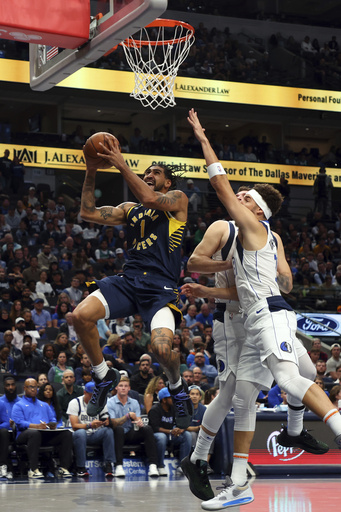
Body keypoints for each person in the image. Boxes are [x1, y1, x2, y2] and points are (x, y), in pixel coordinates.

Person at [186, 108, 341, 509]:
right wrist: (227, 277)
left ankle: (322, 431)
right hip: (256, 316)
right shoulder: (257, 234)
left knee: (280, 383)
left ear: (256, 210)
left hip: (262, 315)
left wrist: (204, 140)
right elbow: (286, 280)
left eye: (245, 197)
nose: (237, 196)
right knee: (260, 390)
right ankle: (237, 471)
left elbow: (220, 186)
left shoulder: (251, 228)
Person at [72, 139, 192, 429]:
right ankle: (103, 376)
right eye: (146, 172)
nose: (149, 175)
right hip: (129, 281)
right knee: (79, 316)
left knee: (161, 350)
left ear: (168, 182)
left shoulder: (176, 200)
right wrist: (91, 170)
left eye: (155, 173)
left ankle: (176, 386)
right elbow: (87, 212)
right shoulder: (129, 208)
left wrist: (119, 163)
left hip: (160, 288)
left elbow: (151, 199)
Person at [12, 378, 73, 479]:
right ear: (24, 388)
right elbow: (19, 423)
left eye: (35, 387)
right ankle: (33, 469)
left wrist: (52, 425)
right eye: (31, 387)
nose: (33, 389)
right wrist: (35, 426)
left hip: (44, 434)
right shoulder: (19, 405)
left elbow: (53, 419)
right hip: (24, 435)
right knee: (34, 433)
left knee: (67, 434)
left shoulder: (44, 405)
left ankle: (63, 468)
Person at [107, 376, 159, 477]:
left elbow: (138, 418)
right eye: (121, 386)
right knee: (118, 429)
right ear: (116, 388)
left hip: (131, 432)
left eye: (126, 386)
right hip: (117, 434)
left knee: (147, 428)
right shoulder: (110, 402)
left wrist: (139, 423)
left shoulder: (134, 402)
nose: (123, 388)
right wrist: (127, 416)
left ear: (129, 388)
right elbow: (113, 423)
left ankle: (153, 465)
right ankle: (119, 466)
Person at [66, 381, 116, 477]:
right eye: (92, 395)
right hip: (79, 434)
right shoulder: (75, 403)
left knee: (108, 431)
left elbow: (105, 416)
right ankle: (81, 467)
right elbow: (74, 426)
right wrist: (89, 425)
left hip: (95, 434)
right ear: (85, 393)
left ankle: (109, 464)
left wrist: (106, 421)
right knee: (81, 433)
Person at [148, 387, 192, 476]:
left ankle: (182, 466)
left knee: (187, 435)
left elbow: (182, 422)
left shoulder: (175, 408)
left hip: (172, 435)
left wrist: (180, 429)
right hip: (158, 435)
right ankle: (160, 466)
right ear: (164, 400)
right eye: (172, 397)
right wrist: (170, 431)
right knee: (162, 437)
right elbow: (155, 427)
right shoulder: (154, 410)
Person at [0, 376, 21, 479]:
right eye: (8, 385)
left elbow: (6, 422)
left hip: (17, 433)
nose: (10, 387)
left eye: (12, 384)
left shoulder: (22, 402)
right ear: (4, 387)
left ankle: (6, 468)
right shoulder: (1, 401)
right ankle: (7, 469)